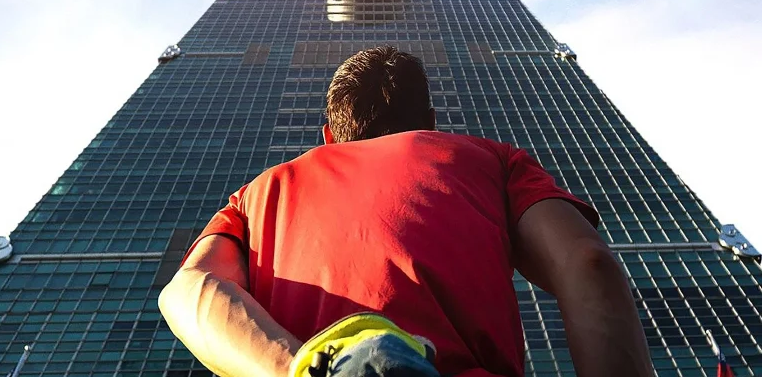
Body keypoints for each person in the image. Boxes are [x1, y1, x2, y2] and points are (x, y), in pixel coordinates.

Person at [159, 46, 653, 377]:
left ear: (329, 136)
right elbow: (588, 264)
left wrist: (305, 367)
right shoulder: (493, 161)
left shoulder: (260, 192)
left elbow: (189, 290)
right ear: (432, 126)